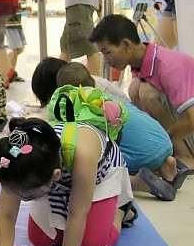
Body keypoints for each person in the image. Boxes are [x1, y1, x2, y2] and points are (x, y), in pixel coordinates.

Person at [0, 117, 134, 246]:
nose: (21, 199)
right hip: (52, 176)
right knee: (41, 240)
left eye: (28, 197)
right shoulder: (16, 162)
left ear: (55, 177)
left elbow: (77, 213)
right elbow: (6, 215)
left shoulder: (83, 154)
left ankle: (121, 210)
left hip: (97, 175)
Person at [89, 14, 194, 175]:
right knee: (135, 88)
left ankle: (185, 157)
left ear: (126, 45)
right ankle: (170, 151)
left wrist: (160, 143)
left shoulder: (168, 66)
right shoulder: (141, 64)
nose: (105, 60)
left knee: (148, 94)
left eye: (107, 52)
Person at [55, 62, 187, 200]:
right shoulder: (113, 99)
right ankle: (166, 165)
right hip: (165, 144)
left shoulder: (87, 115)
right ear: (93, 82)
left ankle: (135, 182)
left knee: (91, 165)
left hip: (143, 157)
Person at [5, 10, 27, 84]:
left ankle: (3, 66)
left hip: (17, 23)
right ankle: (10, 75)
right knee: (16, 49)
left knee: (20, 49)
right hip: (11, 24)